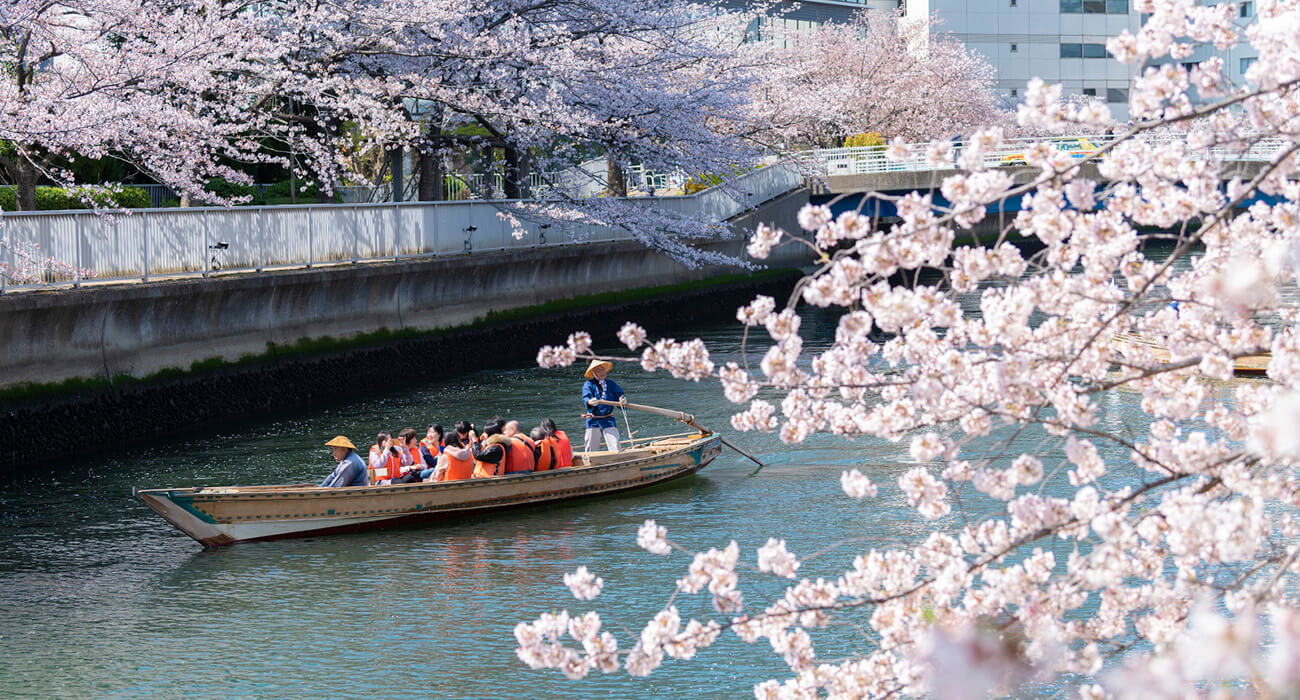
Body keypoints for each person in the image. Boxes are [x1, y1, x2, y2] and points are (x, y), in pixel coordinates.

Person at [581, 359, 625, 453]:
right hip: (593, 419)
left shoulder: (611, 384)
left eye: (603, 369)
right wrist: (590, 401)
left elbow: (619, 395)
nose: (602, 372)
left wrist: (622, 399)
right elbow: (586, 398)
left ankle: (617, 460)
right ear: (593, 372)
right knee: (591, 448)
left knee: (615, 445)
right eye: (598, 370)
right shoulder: (588, 384)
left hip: (608, 419)